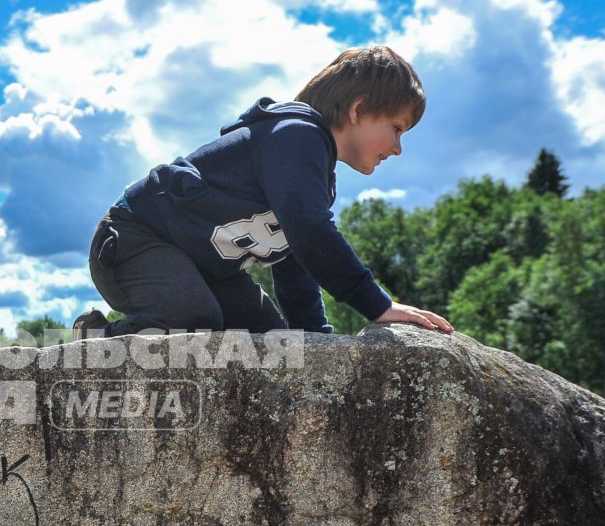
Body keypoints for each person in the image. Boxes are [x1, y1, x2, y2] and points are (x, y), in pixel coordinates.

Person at [74, 46, 453, 338]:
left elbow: (295, 259)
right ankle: (94, 336)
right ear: (359, 109)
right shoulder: (296, 135)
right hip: (132, 243)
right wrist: (377, 305)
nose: (398, 148)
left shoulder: (316, 173)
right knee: (191, 319)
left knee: (271, 341)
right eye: (397, 128)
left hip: (209, 274)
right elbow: (311, 233)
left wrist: (313, 339)